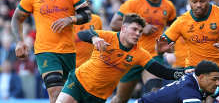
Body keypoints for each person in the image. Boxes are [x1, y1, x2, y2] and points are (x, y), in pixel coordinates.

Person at [56, 13, 191, 103]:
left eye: (140, 31)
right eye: (134, 29)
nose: (138, 34)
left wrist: (184, 73)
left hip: (99, 96)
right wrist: (94, 37)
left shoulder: (139, 54)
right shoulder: (108, 36)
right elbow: (84, 33)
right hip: (78, 82)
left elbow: (162, 72)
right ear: (124, 28)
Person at [11, 0, 91, 103]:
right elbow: (17, 18)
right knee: (55, 93)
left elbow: (86, 15)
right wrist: (19, 41)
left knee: (69, 99)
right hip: (46, 51)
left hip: (69, 51)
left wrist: (70, 19)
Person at [110, 0, 176, 103]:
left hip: (153, 56)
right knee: (121, 99)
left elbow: (175, 28)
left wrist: (170, 43)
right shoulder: (134, 3)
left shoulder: (168, 6)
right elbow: (114, 24)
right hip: (131, 55)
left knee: (155, 93)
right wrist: (141, 28)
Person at [137, 60, 219, 103]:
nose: (217, 83)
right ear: (202, 77)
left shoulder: (200, 82)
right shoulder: (189, 89)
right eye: (214, 79)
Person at [74, 0, 102, 67]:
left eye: (84, 3)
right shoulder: (67, 21)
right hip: (71, 67)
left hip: (90, 67)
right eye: (79, 3)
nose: (82, 6)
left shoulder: (97, 20)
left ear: (88, 4)